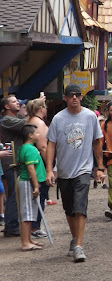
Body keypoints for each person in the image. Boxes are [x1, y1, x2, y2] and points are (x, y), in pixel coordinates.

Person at [46, 84, 105, 262]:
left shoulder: (89, 116)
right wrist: (50, 169)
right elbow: (51, 144)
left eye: (77, 95)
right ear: (64, 98)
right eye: (70, 95)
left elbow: (97, 142)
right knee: (69, 209)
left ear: (81, 97)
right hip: (64, 170)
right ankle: (74, 238)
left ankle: (79, 246)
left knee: (80, 207)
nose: (74, 98)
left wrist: (99, 167)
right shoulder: (58, 119)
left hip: (83, 169)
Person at [1, 95, 27, 237]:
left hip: (15, 161)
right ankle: (11, 226)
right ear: (6, 106)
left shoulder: (14, 119)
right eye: (14, 101)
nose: (17, 103)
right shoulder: (7, 120)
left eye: (18, 101)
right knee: (14, 194)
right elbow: (27, 126)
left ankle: (12, 224)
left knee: (15, 193)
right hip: (11, 162)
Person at [17, 124, 46, 251]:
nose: (39, 135)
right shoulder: (30, 149)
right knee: (27, 213)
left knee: (30, 212)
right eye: (37, 133)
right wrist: (35, 186)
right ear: (30, 135)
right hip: (28, 183)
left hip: (27, 182)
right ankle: (25, 242)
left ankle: (28, 239)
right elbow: (30, 168)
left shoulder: (25, 148)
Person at [25, 98, 50, 238]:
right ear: (42, 109)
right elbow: (42, 146)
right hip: (39, 163)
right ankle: (35, 227)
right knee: (40, 195)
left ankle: (34, 226)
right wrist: (50, 168)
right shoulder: (38, 123)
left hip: (34, 161)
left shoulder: (29, 120)